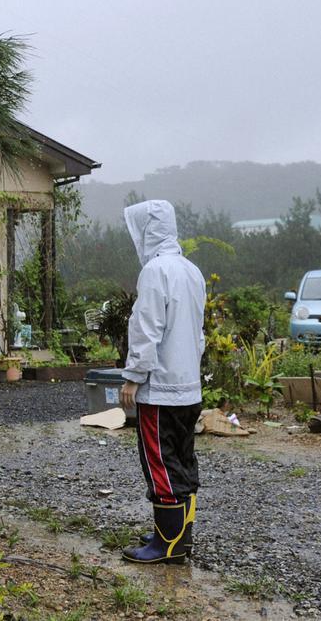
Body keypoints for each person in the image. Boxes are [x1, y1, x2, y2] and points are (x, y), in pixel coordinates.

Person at [118, 200, 206, 565]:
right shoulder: (191, 270)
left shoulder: (155, 271)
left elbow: (146, 329)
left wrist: (133, 378)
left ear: (148, 231)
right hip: (188, 387)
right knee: (183, 461)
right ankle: (177, 537)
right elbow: (197, 333)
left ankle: (167, 547)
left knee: (161, 465)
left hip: (161, 390)